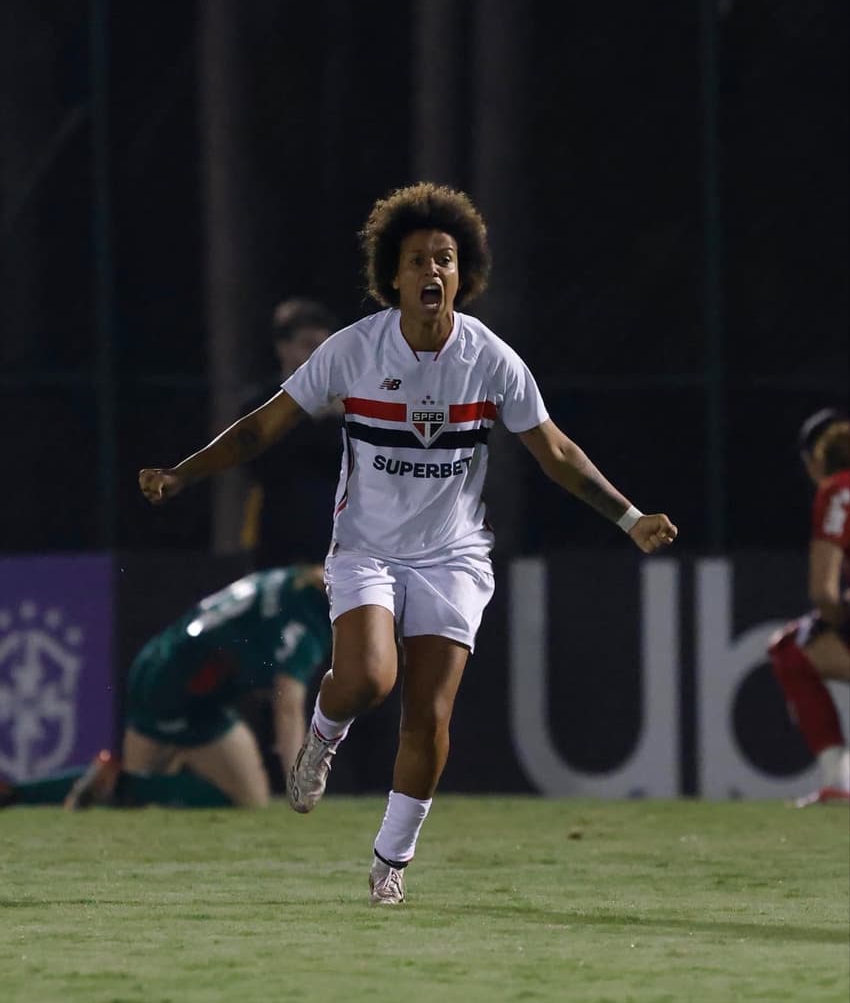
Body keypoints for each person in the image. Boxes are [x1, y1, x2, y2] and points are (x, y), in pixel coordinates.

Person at [139, 182, 678, 905]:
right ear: (392, 276)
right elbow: (262, 427)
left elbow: (556, 452)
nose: (433, 271)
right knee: (366, 680)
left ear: (464, 275)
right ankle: (324, 735)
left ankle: (390, 863)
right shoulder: (355, 351)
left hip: (453, 555)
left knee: (429, 715)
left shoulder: (489, 359)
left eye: (446, 260)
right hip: (366, 549)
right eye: (418, 259)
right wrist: (183, 473)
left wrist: (629, 516)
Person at [1, 565, 331, 810]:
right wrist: (298, 779)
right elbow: (287, 706)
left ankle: (23, 792)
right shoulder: (306, 620)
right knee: (131, 793)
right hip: (175, 689)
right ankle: (35, 791)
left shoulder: (289, 580)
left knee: (248, 797)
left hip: (174, 674)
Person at [768, 408, 850, 807]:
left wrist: (837, 623)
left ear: (815, 459)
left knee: (791, 649)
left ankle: (838, 781)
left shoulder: (838, 490)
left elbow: (824, 592)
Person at [239, 298, 342, 568]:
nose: (318, 356)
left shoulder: (347, 405)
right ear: (284, 348)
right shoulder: (259, 404)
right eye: (309, 346)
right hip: (279, 537)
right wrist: (311, 418)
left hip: (336, 539)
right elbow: (263, 466)